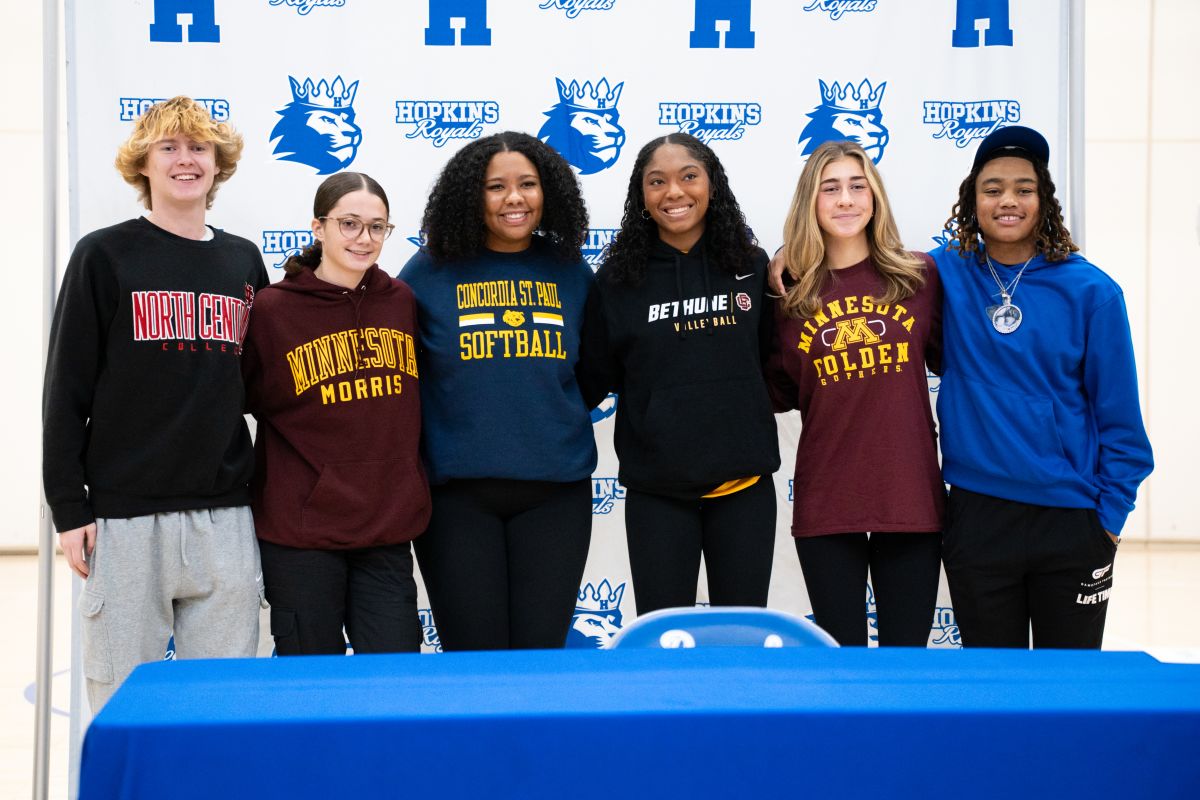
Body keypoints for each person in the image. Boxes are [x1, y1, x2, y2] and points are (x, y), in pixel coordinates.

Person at [42, 97, 266, 710]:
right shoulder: (104, 254)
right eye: (169, 147)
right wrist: (68, 508)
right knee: (120, 699)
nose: (185, 160)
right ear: (142, 163)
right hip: (123, 514)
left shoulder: (243, 259)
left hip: (224, 511)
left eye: (199, 148)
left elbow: (261, 383)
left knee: (222, 705)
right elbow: (66, 389)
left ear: (219, 165)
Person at [931, 125, 1153, 648]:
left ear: (1043, 200)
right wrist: (784, 258)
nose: (1008, 200)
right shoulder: (943, 274)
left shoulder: (1092, 292)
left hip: (1072, 521)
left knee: (1070, 693)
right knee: (994, 696)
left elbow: (1121, 422)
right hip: (978, 514)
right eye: (993, 189)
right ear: (972, 201)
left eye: (1023, 189)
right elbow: (862, 265)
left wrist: (1108, 522)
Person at [399, 131, 596, 651]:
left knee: (540, 658)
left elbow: (596, 369)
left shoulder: (570, 269)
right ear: (471, 195)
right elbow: (403, 374)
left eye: (528, 184)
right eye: (496, 187)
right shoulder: (428, 272)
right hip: (456, 499)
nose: (515, 198)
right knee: (473, 662)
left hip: (556, 494)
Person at [578, 133, 780, 615]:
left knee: (743, 641)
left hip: (744, 489)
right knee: (660, 645)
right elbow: (589, 381)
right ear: (640, 195)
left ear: (712, 184)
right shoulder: (617, 281)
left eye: (689, 176)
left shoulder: (751, 265)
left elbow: (774, 362)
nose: (674, 192)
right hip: (657, 495)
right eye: (657, 181)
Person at [241, 172, 429, 655]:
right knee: (308, 684)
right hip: (301, 533)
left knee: (392, 685)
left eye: (377, 227)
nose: (363, 239)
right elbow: (242, 399)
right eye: (349, 224)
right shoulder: (271, 310)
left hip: (385, 527)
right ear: (318, 227)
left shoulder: (401, 301)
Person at [767, 140, 943, 647]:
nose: (845, 199)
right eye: (830, 188)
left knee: (905, 665)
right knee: (839, 664)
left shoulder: (921, 277)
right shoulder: (787, 292)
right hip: (828, 500)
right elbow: (774, 390)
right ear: (811, 202)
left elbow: (957, 359)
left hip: (909, 496)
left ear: (875, 197)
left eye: (856, 185)